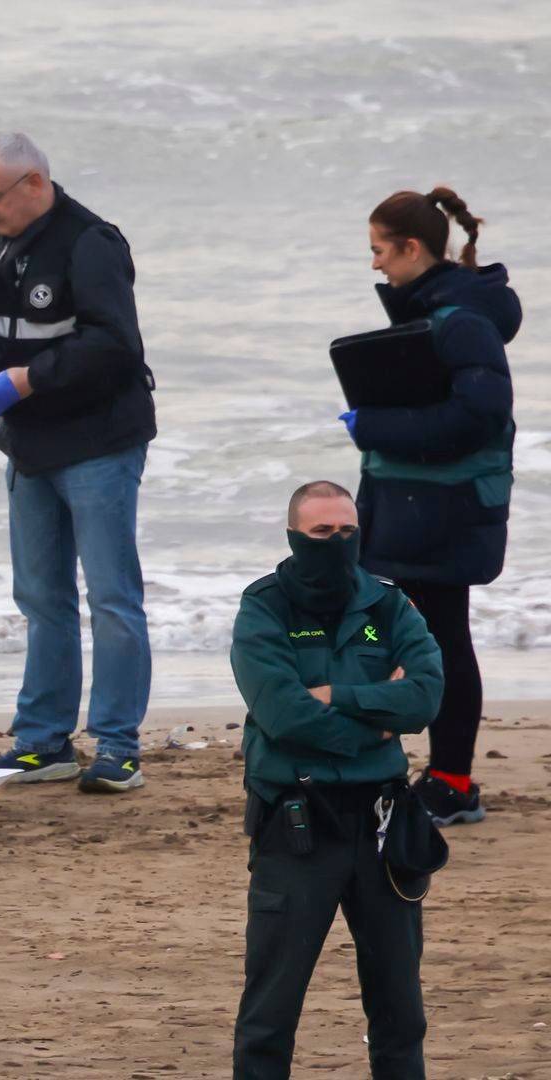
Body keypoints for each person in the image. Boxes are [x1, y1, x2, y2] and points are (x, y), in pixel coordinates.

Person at [0, 131, 158, 792]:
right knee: (40, 595)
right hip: (29, 445)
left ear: (34, 184)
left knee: (112, 596)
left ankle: (118, 745)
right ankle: (43, 742)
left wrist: (28, 379)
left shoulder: (91, 243)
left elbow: (114, 344)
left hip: (100, 440)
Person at [230, 481, 444, 1079]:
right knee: (270, 1011)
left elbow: (425, 697)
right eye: (323, 533)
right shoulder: (264, 607)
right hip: (297, 825)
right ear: (296, 536)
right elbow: (282, 713)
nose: (337, 542)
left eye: (347, 531)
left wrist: (338, 696)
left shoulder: (388, 604)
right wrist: (376, 726)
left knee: (400, 1010)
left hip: (383, 828)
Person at [342, 187, 520, 825]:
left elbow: (480, 414)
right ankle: (423, 768)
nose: (375, 266)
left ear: (412, 247)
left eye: (380, 251)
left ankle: (452, 780)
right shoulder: (434, 310)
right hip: (419, 504)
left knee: (444, 638)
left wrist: (372, 427)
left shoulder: (462, 319)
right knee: (414, 633)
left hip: (448, 509)